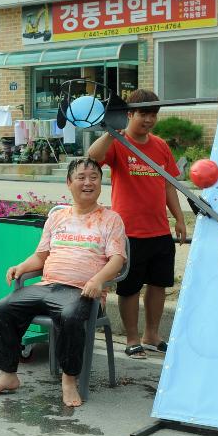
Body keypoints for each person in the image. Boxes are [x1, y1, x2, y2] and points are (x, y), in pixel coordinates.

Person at [0, 158, 126, 407]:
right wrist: (21, 267)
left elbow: (117, 260)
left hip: (83, 292)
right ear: (69, 183)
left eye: (94, 177)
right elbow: (41, 255)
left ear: (101, 184)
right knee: (3, 309)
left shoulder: (111, 219)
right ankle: (8, 376)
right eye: (81, 177)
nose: (88, 182)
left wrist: (98, 280)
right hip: (48, 286)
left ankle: (69, 381)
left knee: (70, 316)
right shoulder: (57, 217)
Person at [88, 89, 187, 360]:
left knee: (158, 285)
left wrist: (178, 218)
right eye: (143, 113)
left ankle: (151, 335)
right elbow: (92, 156)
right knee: (130, 287)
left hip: (159, 231)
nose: (149, 120)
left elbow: (169, 184)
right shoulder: (119, 143)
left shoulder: (160, 146)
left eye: (153, 114)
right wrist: (112, 131)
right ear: (129, 114)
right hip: (128, 233)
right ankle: (132, 338)